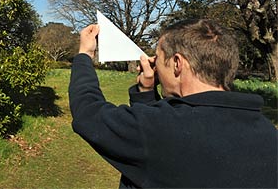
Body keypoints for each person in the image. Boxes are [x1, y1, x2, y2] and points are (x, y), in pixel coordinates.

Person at [69, 19, 278, 188]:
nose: (154, 65)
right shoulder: (268, 133)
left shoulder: (159, 130)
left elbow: (88, 111)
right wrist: (146, 93)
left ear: (177, 63)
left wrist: (85, 55)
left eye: (158, 58)